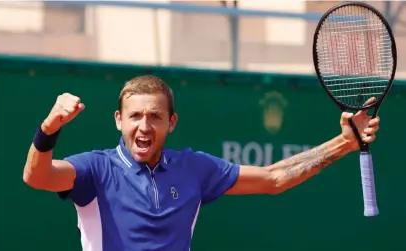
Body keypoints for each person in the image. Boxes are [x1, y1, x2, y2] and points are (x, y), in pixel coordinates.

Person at [23, 75, 380, 251]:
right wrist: (49, 128)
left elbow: (273, 178)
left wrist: (344, 144)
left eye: (154, 116)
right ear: (119, 120)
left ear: (171, 123)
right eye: (134, 117)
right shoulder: (94, 169)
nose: (144, 126)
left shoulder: (193, 168)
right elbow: (37, 177)